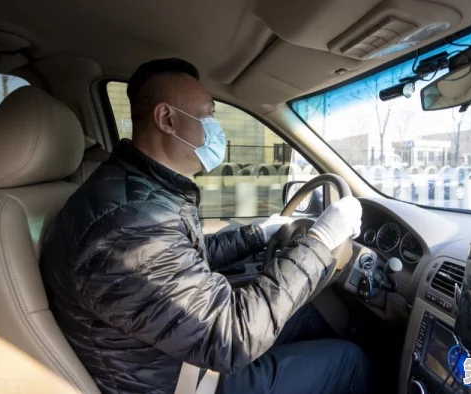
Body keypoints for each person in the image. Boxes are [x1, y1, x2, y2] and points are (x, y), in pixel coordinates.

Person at [40, 58, 372, 394]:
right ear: (167, 119)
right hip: (182, 380)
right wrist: (319, 241)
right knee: (349, 359)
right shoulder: (128, 225)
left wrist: (259, 233)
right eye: (209, 113)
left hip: (167, 354)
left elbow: (183, 257)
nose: (216, 126)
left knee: (309, 317)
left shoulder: (135, 191)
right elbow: (231, 338)